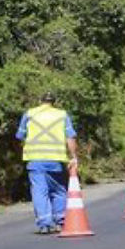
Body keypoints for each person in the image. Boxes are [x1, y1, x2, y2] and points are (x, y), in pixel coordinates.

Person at [16, 93, 78, 235]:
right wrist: (73, 157)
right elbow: (70, 137)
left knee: (39, 192)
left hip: (35, 160)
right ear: (53, 102)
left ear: (40, 101)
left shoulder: (29, 114)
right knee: (58, 191)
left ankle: (44, 224)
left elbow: (19, 136)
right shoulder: (62, 115)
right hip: (56, 159)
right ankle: (60, 222)